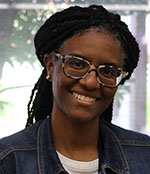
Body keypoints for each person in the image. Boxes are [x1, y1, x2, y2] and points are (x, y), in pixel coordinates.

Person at [0, 4, 150, 174]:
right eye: (77, 64)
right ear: (50, 65)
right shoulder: (8, 161)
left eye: (107, 71)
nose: (91, 83)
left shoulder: (145, 156)